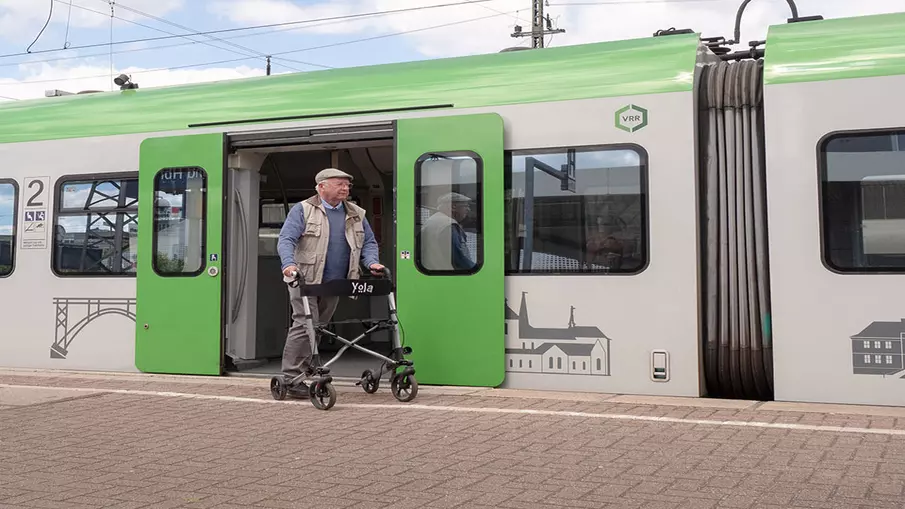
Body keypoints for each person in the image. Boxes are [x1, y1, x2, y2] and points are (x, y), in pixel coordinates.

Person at [277, 168, 384, 398]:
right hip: (304, 279)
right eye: (340, 184)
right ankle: (290, 377)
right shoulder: (303, 210)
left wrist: (372, 262)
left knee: (319, 327)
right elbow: (286, 239)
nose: (345, 188)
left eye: (347, 185)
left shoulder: (357, 213)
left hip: (335, 282)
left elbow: (369, 243)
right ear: (321, 186)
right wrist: (288, 264)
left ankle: (305, 372)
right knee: (305, 324)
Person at [419, 191, 475, 271]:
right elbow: (459, 258)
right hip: (447, 274)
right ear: (453, 207)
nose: (468, 209)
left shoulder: (433, 220)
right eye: (465, 206)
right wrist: (475, 269)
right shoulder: (448, 225)